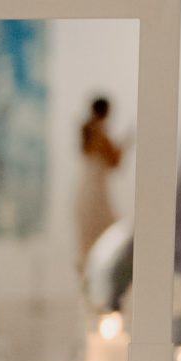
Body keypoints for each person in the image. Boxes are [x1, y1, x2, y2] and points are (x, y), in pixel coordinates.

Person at [76, 95, 123, 272]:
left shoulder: (88, 132)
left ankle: (90, 285)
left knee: (88, 241)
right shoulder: (100, 134)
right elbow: (115, 161)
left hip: (85, 191)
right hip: (96, 194)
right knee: (104, 237)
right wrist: (125, 143)